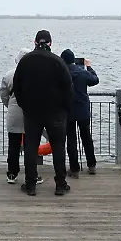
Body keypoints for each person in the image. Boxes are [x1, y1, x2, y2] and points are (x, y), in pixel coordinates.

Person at [13, 30, 73, 196]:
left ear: (35, 42)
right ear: (50, 43)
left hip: (32, 112)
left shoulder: (25, 61)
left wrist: (24, 105)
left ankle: (30, 184)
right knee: (58, 148)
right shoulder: (58, 61)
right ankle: (60, 184)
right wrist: (66, 110)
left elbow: (17, 87)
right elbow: (68, 88)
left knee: (31, 147)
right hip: (56, 112)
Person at [1, 48, 46, 185]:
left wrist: (10, 105)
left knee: (13, 146)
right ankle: (32, 174)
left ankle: (12, 173)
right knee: (31, 147)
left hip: (14, 113)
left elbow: (3, 95)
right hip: (31, 114)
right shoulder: (37, 75)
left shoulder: (9, 75)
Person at [60, 49, 99, 178]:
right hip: (83, 110)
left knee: (71, 139)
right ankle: (91, 165)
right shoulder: (82, 73)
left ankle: (74, 168)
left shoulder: (62, 74)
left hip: (68, 110)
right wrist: (89, 67)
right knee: (86, 137)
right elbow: (95, 80)